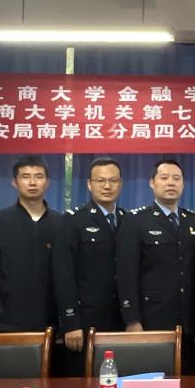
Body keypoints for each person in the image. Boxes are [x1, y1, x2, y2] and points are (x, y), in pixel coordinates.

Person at [116, 159, 195, 368]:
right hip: (151, 319)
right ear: (152, 183)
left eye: (176, 178)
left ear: (183, 184)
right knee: (153, 376)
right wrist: (132, 319)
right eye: (164, 178)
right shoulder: (135, 221)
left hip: (188, 320)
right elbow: (126, 274)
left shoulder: (194, 221)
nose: (171, 183)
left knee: (188, 379)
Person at [51, 157, 126, 376]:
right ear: (89, 184)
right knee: (83, 383)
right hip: (85, 321)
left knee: (118, 380)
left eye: (113, 180)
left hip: (120, 319)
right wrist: (70, 322)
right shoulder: (73, 221)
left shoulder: (127, 219)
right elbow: (63, 274)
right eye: (100, 180)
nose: (107, 186)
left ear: (120, 184)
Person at [0, 156, 61, 332]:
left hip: (51, 325)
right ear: (14, 182)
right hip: (4, 324)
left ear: (47, 182)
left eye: (39, 176)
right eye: (25, 176)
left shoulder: (60, 223)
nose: (32, 182)